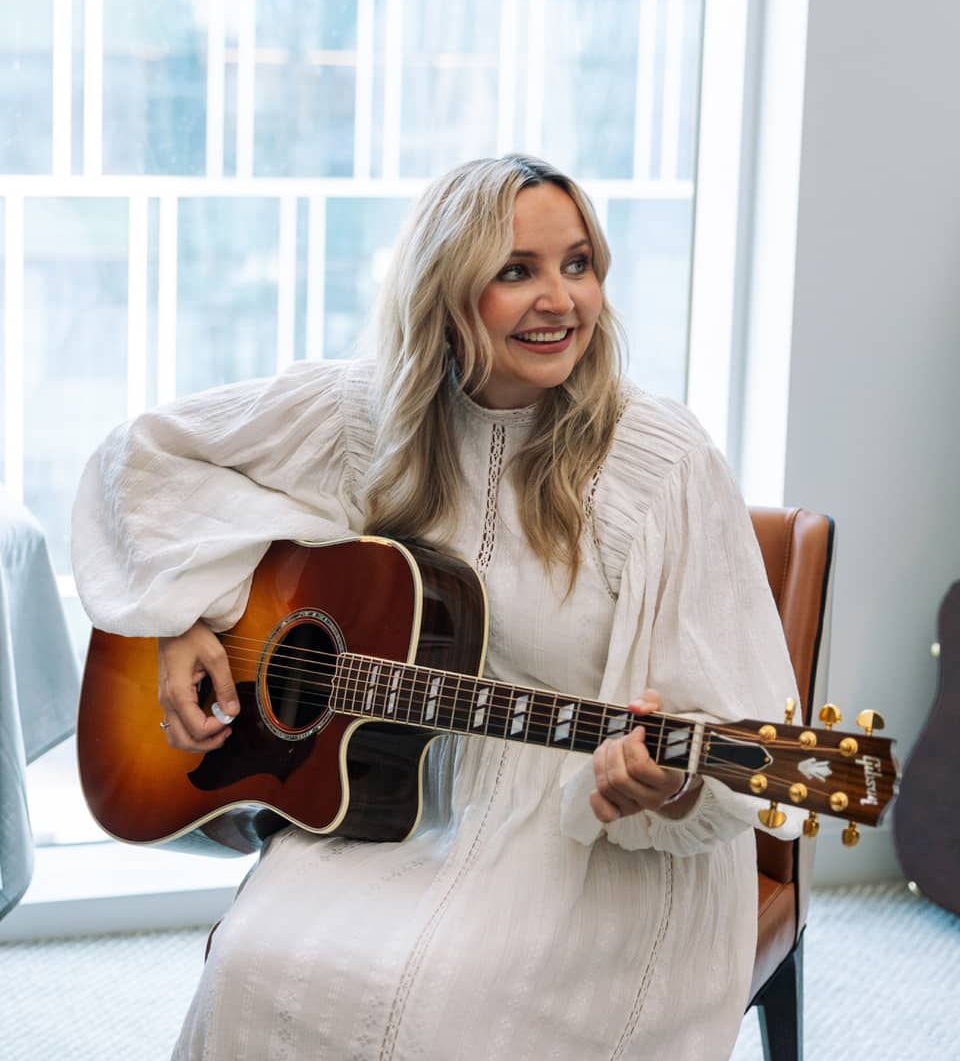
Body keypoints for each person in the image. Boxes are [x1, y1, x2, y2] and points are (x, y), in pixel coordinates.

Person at [72, 154, 800, 1060]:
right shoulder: (365, 414)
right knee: (252, 969)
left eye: (578, 264)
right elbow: (139, 461)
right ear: (445, 290)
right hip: (392, 795)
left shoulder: (660, 461)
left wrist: (672, 781)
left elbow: (733, 726)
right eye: (517, 271)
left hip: (588, 845)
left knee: (444, 1011)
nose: (561, 300)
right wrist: (179, 617)